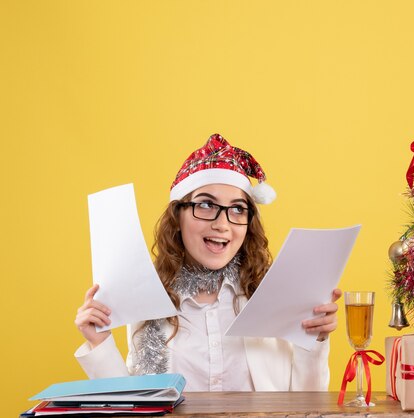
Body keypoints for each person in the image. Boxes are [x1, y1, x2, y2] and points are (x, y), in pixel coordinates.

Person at [74, 134, 341, 391]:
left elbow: (308, 401)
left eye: (238, 209)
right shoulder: (149, 302)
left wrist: (315, 339)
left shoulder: (273, 295)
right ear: (178, 216)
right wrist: (100, 343)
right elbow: (136, 406)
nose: (222, 224)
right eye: (205, 205)